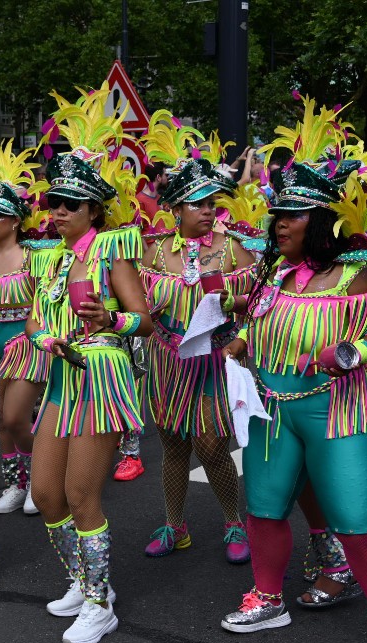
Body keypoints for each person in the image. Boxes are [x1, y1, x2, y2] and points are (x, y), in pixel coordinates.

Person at [220, 98, 367, 643]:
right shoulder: (277, 274)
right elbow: (263, 324)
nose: (279, 224)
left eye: (293, 215)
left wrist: (348, 351)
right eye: (276, 214)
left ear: (324, 222)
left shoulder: (357, 273)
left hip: (336, 413)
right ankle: (268, 598)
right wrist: (242, 343)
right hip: (273, 411)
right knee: (262, 509)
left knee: (358, 522)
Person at [26, 86, 152, 643]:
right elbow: (31, 322)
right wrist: (45, 337)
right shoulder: (50, 259)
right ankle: (82, 579)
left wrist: (110, 322)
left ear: (93, 211)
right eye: (53, 204)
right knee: (45, 492)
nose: (56, 215)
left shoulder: (114, 250)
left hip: (101, 379)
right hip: (61, 375)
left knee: (82, 495)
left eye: (68, 206)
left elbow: (145, 322)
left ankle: (101, 603)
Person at [135, 151, 253, 563]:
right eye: (197, 204)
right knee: (173, 447)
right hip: (168, 361)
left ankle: (233, 521)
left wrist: (240, 340)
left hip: (214, 361)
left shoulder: (233, 251)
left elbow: (260, 306)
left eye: (211, 203)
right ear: (175, 208)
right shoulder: (155, 252)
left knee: (212, 446)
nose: (207, 211)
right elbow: (143, 308)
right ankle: (175, 526)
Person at [0, 142, 51, 515]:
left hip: (27, 342)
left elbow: (45, 302)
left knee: (14, 416)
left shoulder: (32, 256)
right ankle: (15, 484)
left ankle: (42, 478)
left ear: (17, 220)